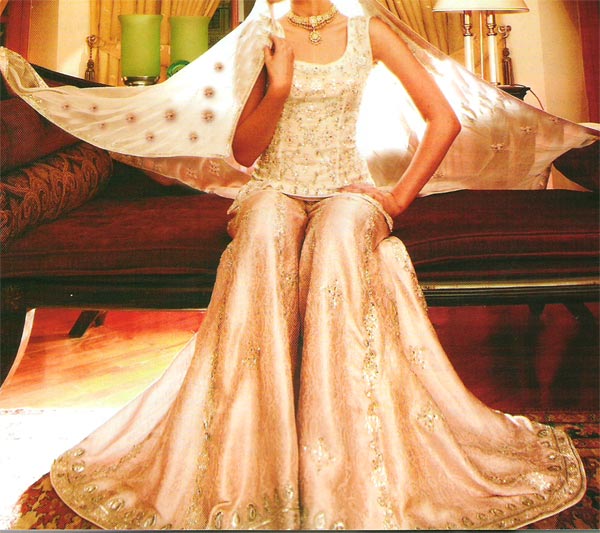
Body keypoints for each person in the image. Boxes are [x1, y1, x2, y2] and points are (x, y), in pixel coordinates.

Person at [20, 0, 586, 529]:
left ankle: (342, 463)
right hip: (274, 188)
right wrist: (280, 85)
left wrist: (396, 199)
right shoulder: (264, 37)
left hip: (346, 188)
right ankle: (252, 457)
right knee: (264, 233)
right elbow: (244, 152)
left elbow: (444, 119)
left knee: (339, 238)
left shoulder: (371, 31)